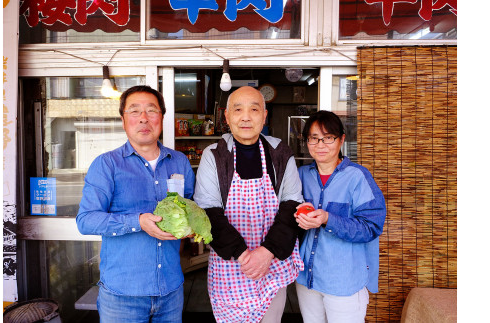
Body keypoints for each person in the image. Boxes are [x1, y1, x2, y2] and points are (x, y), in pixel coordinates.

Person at [76, 85, 195, 323]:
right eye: (134, 111)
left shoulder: (179, 162)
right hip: (122, 296)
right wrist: (138, 221)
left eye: (151, 110)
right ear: (123, 120)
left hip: (171, 290)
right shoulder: (107, 164)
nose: (143, 118)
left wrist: (190, 226)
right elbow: (86, 220)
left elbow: (190, 207)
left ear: (161, 117)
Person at [194, 86, 304, 323]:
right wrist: (245, 256)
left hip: (272, 263)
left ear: (264, 116)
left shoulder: (280, 152)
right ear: (227, 117)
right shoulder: (214, 155)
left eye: (254, 109)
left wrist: (266, 253)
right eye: (238, 109)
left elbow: (291, 204)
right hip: (230, 265)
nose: (246, 117)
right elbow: (208, 213)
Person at [294, 110, 386, 323]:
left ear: (341, 139)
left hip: (344, 281)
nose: (320, 145)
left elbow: (371, 226)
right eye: (314, 138)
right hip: (307, 278)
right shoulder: (301, 175)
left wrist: (328, 218)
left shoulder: (358, 177)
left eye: (328, 138)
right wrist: (297, 215)